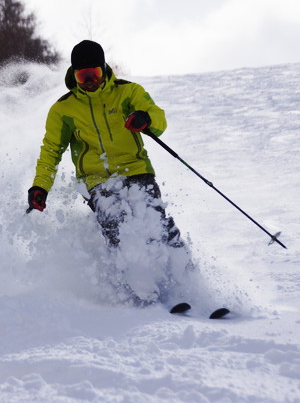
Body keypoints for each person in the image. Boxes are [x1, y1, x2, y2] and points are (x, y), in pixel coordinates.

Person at [27, 40, 192, 307]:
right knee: (115, 222)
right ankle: (140, 288)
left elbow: (157, 117)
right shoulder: (63, 109)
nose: (90, 81)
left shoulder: (127, 93)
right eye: (83, 76)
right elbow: (50, 151)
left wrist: (144, 119)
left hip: (136, 169)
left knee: (156, 223)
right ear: (74, 74)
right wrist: (40, 186)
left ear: (104, 69)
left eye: (94, 74)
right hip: (96, 180)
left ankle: (186, 282)